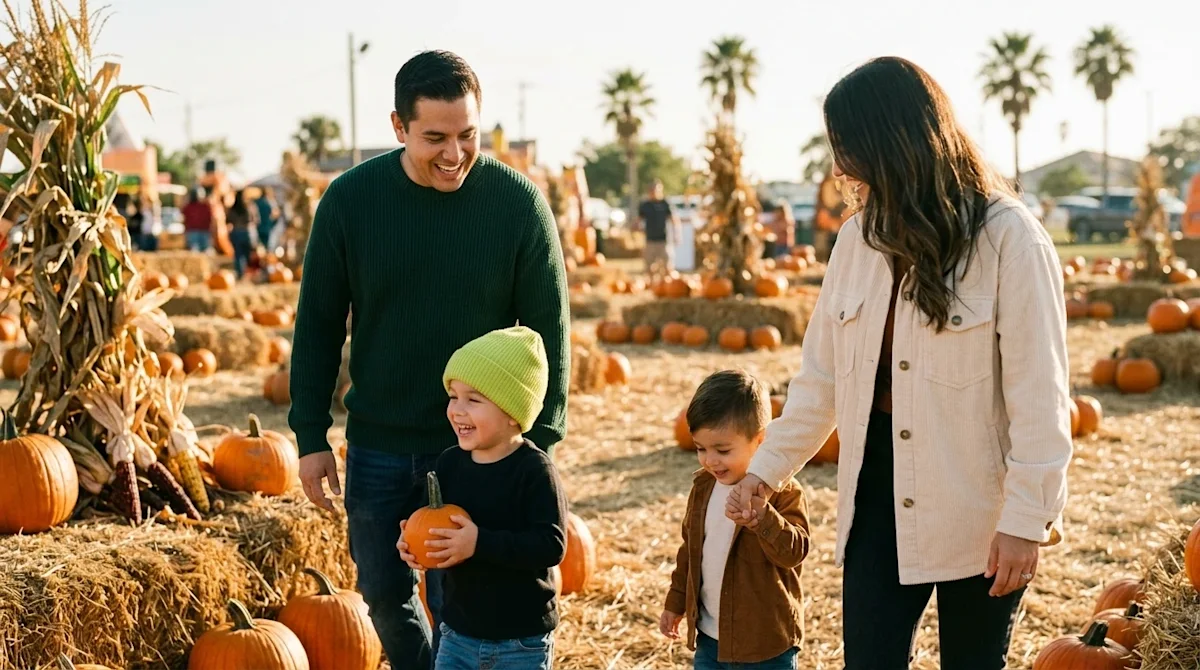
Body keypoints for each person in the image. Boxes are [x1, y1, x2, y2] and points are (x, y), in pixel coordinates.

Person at [728, 56, 1073, 670]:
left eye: (848, 147)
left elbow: (1039, 395)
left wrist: (1027, 519)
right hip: (876, 498)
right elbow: (821, 381)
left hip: (979, 506)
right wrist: (765, 469)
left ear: (891, 143)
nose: (839, 167)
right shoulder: (857, 241)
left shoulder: (1009, 239)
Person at [288, 49, 570, 670]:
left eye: (468, 135)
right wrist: (310, 434)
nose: (454, 153)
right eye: (434, 138)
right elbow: (317, 326)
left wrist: (538, 442)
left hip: (480, 446)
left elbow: (550, 332)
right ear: (397, 128)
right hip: (380, 441)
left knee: (461, 603)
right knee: (384, 595)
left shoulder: (517, 204)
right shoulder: (350, 202)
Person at [398, 326, 568, 670]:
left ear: (512, 413)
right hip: (458, 634)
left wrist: (480, 542)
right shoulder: (449, 464)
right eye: (453, 396)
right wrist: (413, 544)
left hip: (521, 640)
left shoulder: (534, 471)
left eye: (473, 400)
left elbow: (550, 545)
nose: (457, 410)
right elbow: (433, 524)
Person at [659, 369, 809, 669]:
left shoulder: (783, 490)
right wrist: (676, 603)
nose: (710, 460)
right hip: (710, 639)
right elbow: (689, 551)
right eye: (701, 448)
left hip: (766, 643)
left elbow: (794, 552)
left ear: (761, 441)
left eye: (722, 450)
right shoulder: (703, 488)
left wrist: (763, 518)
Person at [637, 180, 680, 274]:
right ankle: (653, 285)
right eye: (651, 190)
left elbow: (674, 220)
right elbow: (638, 220)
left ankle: (668, 285)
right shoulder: (645, 205)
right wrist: (637, 228)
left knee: (668, 266)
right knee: (649, 267)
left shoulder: (665, 203)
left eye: (656, 190)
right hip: (650, 240)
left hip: (664, 240)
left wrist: (677, 234)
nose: (654, 192)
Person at [226, 189, 258, 279]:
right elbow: (255, 220)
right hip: (247, 232)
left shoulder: (233, 208)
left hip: (236, 232)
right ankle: (248, 272)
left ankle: (240, 273)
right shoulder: (250, 207)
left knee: (238, 254)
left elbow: (228, 220)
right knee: (248, 254)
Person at [181, 188, 214, 252]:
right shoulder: (190, 206)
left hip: (202, 231)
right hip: (195, 231)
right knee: (197, 250)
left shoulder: (205, 206)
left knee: (203, 250)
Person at [256, 186, 280, 252]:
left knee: (260, 247)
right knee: (267, 247)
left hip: (260, 227)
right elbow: (275, 216)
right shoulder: (270, 203)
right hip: (267, 227)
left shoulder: (258, 202)